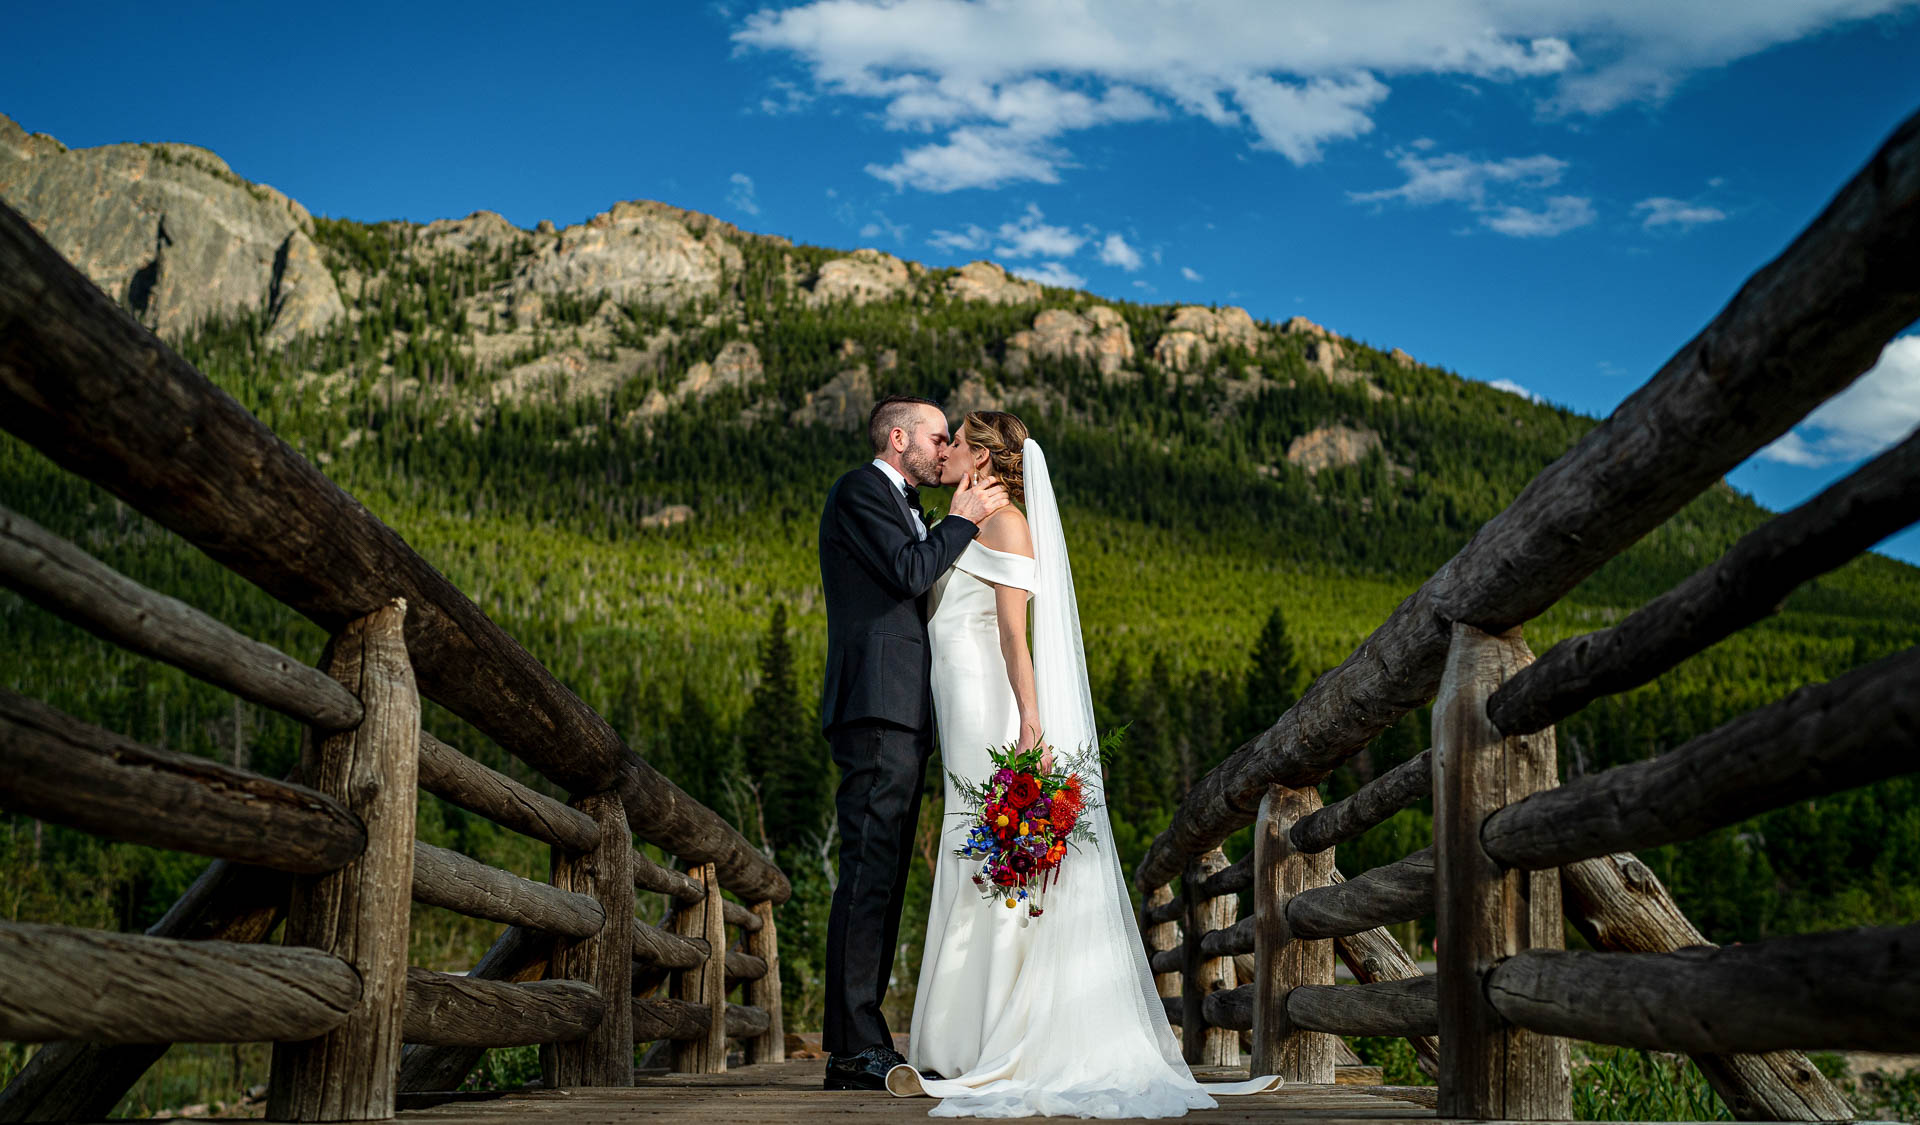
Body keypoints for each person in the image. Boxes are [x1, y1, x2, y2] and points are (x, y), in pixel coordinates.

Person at [894, 411, 1280, 1118]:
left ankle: (991, 1032)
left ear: (982, 455)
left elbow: (1015, 634)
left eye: (956, 441)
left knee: (992, 849)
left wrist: (1031, 720)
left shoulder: (1006, 524)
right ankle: (965, 1029)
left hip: (990, 707)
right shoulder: (964, 517)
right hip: (957, 709)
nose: (943, 450)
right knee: (969, 843)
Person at [818, 394, 1010, 1092]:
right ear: (897, 437)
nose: (941, 448)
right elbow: (907, 571)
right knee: (868, 873)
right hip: (875, 707)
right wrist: (960, 521)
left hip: (900, 712)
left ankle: (861, 1038)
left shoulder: (900, 500)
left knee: (885, 875)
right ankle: (853, 1046)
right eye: (934, 436)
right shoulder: (861, 489)